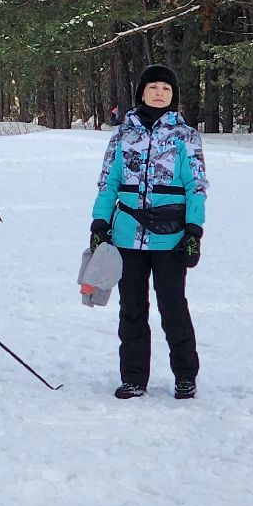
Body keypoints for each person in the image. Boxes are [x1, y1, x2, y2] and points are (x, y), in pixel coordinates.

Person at [90, 63, 207, 400]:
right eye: (153, 87)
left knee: (173, 309)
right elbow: (108, 183)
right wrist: (99, 223)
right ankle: (134, 378)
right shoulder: (122, 135)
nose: (159, 93)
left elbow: (195, 185)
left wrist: (194, 231)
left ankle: (185, 376)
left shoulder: (185, 136)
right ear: (141, 92)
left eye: (166, 89)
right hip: (126, 236)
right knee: (131, 310)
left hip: (170, 237)